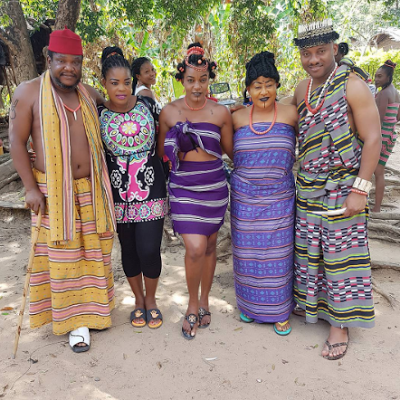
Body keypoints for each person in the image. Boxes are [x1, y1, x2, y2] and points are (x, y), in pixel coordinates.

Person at [9, 28, 116, 353]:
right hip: (53, 190)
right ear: (49, 59)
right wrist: (30, 188)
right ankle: (75, 324)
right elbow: (16, 141)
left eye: (75, 62)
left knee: (93, 252)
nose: (69, 67)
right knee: (65, 256)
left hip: (92, 189)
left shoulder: (88, 93)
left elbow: (117, 105)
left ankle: (95, 311)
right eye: (62, 61)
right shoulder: (29, 93)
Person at [291, 19, 381, 360]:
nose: (313, 59)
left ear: (334, 49)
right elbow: (284, 112)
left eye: (320, 52)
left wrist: (360, 190)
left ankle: (340, 325)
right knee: (310, 251)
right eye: (307, 53)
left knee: (341, 257)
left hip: (343, 186)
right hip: (308, 186)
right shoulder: (302, 89)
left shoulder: (353, 86)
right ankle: (312, 305)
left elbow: (373, 139)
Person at [157, 43, 233, 340]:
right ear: (181, 79)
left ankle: (204, 301)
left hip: (214, 188)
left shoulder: (220, 112)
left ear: (209, 79)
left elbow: (230, 152)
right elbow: (162, 153)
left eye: (203, 79)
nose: (197, 86)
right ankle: (191, 304)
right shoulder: (168, 112)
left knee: (211, 247)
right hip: (184, 188)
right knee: (196, 248)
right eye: (190, 80)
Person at [98, 46, 167, 328]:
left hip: (151, 187)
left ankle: (151, 299)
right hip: (118, 193)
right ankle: (138, 300)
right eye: (114, 83)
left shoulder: (148, 106)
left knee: (149, 249)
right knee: (129, 250)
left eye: (126, 82)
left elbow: (162, 142)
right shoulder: (98, 115)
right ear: (104, 83)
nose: (122, 88)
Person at [230, 51, 298, 335]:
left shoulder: (291, 114)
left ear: (277, 85)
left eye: (269, 84)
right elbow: (229, 153)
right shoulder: (236, 118)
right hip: (244, 201)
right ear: (248, 88)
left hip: (280, 200)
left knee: (278, 257)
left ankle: (280, 311)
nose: (263, 91)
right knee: (247, 257)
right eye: (257, 85)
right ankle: (249, 307)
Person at [373, 60, 400, 212]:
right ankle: (377, 207)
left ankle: (367, 204)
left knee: (370, 170)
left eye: (380, 76)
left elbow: (379, 118)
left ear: (388, 77)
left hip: (381, 136)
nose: (376, 79)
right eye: (376, 76)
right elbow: (398, 116)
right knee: (379, 172)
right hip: (390, 135)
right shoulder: (395, 92)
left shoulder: (383, 94)